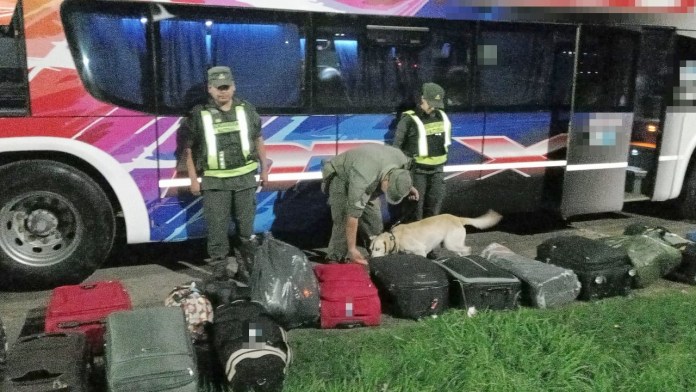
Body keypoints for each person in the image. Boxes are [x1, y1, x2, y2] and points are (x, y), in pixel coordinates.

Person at [183, 66, 268, 283]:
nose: (223, 92)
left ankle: (246, 270)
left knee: (246, 232)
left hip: (245, 180)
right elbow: (189, 149)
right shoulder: (198, 114)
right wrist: (193, 179)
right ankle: (219, 276)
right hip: (214, 182)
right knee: (217, 233)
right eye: (218, 88)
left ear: (233, 86)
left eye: (227, 87)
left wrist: (265, 170)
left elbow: (258, 139)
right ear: (209, 89)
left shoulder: (246, 109)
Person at [321, 144, 419, 265]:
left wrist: (407, 187)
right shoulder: (363, 178)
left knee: (374, 222)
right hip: (341, 176)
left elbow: (401, 176)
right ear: (386, 181)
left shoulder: (402, 160)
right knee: (343, 218)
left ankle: (376, 252)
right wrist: (352, 249)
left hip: (373, 174)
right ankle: (335, 257)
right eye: (388, 191)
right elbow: (353, 216)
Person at [392, 82, 451, 222]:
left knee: (434, 209)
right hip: (417, 171)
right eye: (429, 102)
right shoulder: (408, 119)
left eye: (435, 103)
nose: (432, 106)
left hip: (437, 171)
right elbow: (396, 148)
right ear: (421, 99)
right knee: (415, 210)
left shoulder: (442, 116)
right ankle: (413, 241)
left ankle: (429, 240)